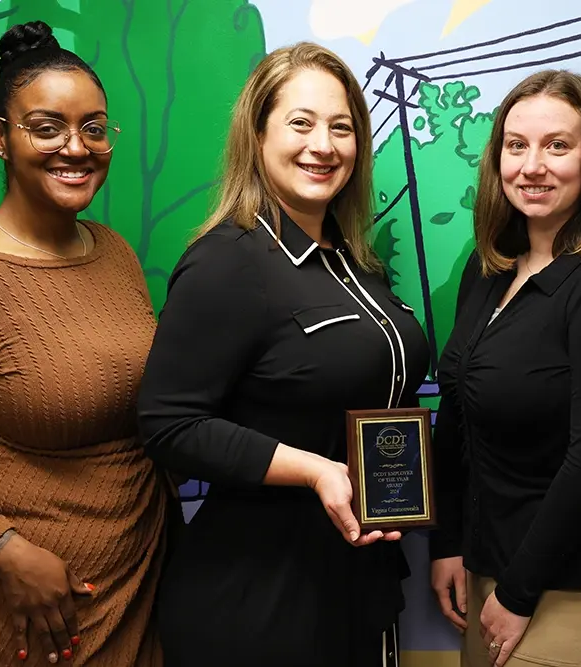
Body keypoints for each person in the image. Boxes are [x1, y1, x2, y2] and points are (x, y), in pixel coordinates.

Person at [136, 41, 430, 667]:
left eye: (341, 127)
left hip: (356, 582)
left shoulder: (352, 262)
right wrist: (317, 469)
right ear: (258, 135)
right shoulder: (227, 261)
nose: (322, 145)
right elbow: (168, 423)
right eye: (301, 123)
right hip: (260, 598)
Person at [0, 20, 174, 667]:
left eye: (93, 127)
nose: (76, 148)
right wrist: (6, 550)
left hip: (138, 589)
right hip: (20, 616)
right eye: (47, 127)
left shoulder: (115, 255)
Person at [427, 69, 581, 667]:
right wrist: (448, 542)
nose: (532, 166)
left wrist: (521, 589)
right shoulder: (485, 272)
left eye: (558, 145)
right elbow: (455, 419)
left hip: (567, 588)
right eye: (516, 145)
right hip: (485, 572)